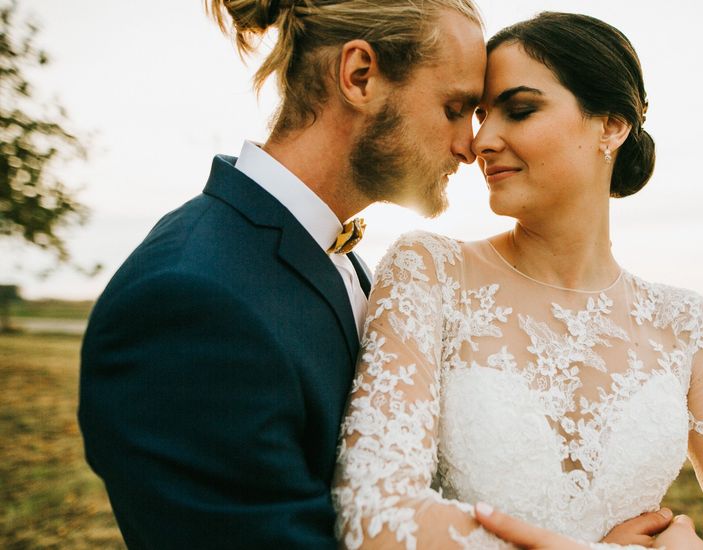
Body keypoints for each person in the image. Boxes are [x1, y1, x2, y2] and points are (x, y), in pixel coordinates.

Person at [331, 12, 703, 550]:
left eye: (520, 110)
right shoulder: (429, 272)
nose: (482, 139)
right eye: (482, 114)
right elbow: (373, 516)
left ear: (612, 126)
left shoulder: (687, 326)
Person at [78, 1, 486, 547]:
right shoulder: (188, 303)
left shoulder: (344, 261)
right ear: (359, 76)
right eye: (454, 107)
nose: (470, 146)